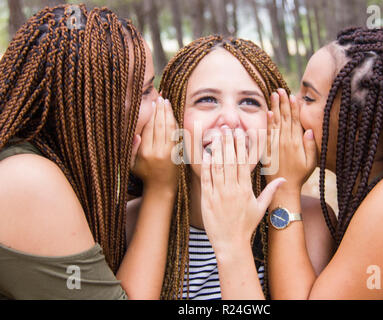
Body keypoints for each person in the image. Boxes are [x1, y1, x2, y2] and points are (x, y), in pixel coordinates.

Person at [0, 4, 177, 299]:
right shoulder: (26, 179)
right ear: (91, 108)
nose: (162, 104)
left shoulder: (44, 160)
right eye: (145, 92)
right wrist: (161, 188)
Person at [268, 27, 383, 299]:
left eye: (308, 97)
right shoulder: (380, 188)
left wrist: (283, 190)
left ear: (361, 124)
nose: (292, 107)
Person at [151, 35, 336, 299]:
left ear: (275, 123)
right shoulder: (136, 221)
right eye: (207, 99)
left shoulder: (311, 222)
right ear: (171, 117)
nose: (229, 119)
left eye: (249, 102)